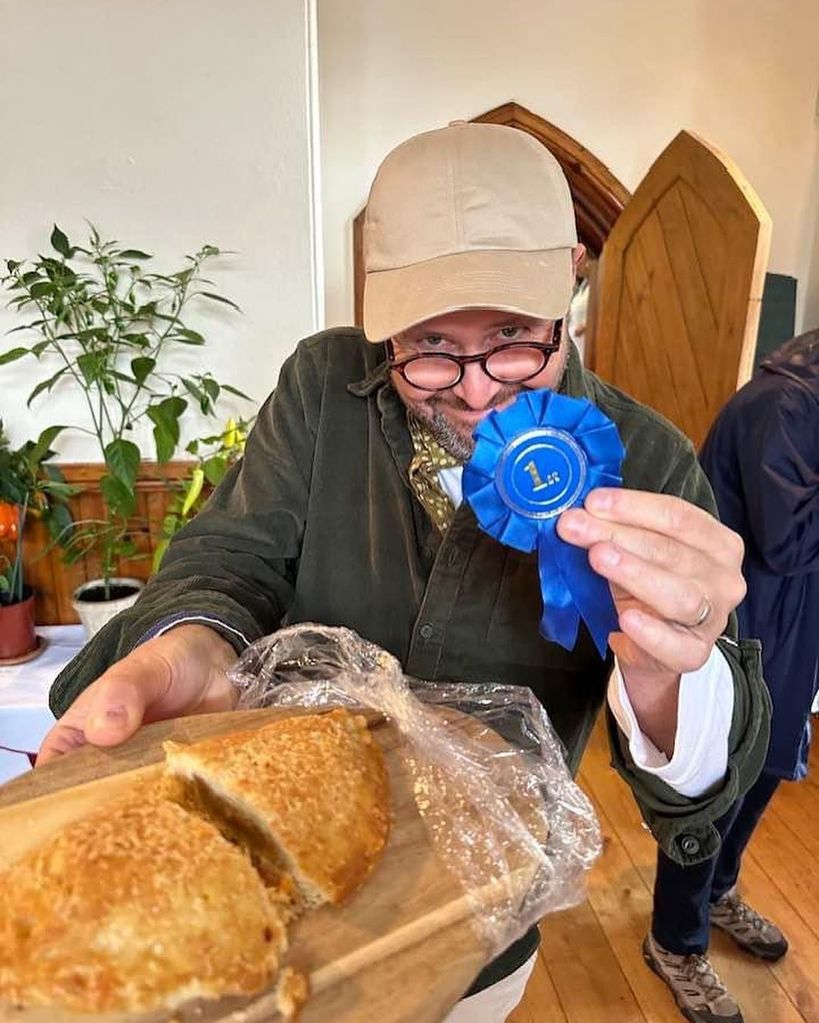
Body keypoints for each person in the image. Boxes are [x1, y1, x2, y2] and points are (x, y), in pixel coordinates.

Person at [40, 121, 769, 1023]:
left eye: (512, 336)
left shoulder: (650, 461)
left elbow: (704, 781)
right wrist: (188, 644)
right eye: (428, 344)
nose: (472, 390)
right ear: (377, 313)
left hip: (477, 932)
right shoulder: (321, 388)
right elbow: (229, 554)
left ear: (572, 279)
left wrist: (666, 674)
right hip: (277, 899)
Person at [645, 329, 819, 1023]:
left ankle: (715, 890)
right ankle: (673, 939)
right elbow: (788, 539)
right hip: (739, 624)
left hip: (791, 616)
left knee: (770, 763)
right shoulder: (784, 403)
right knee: (718, 779)